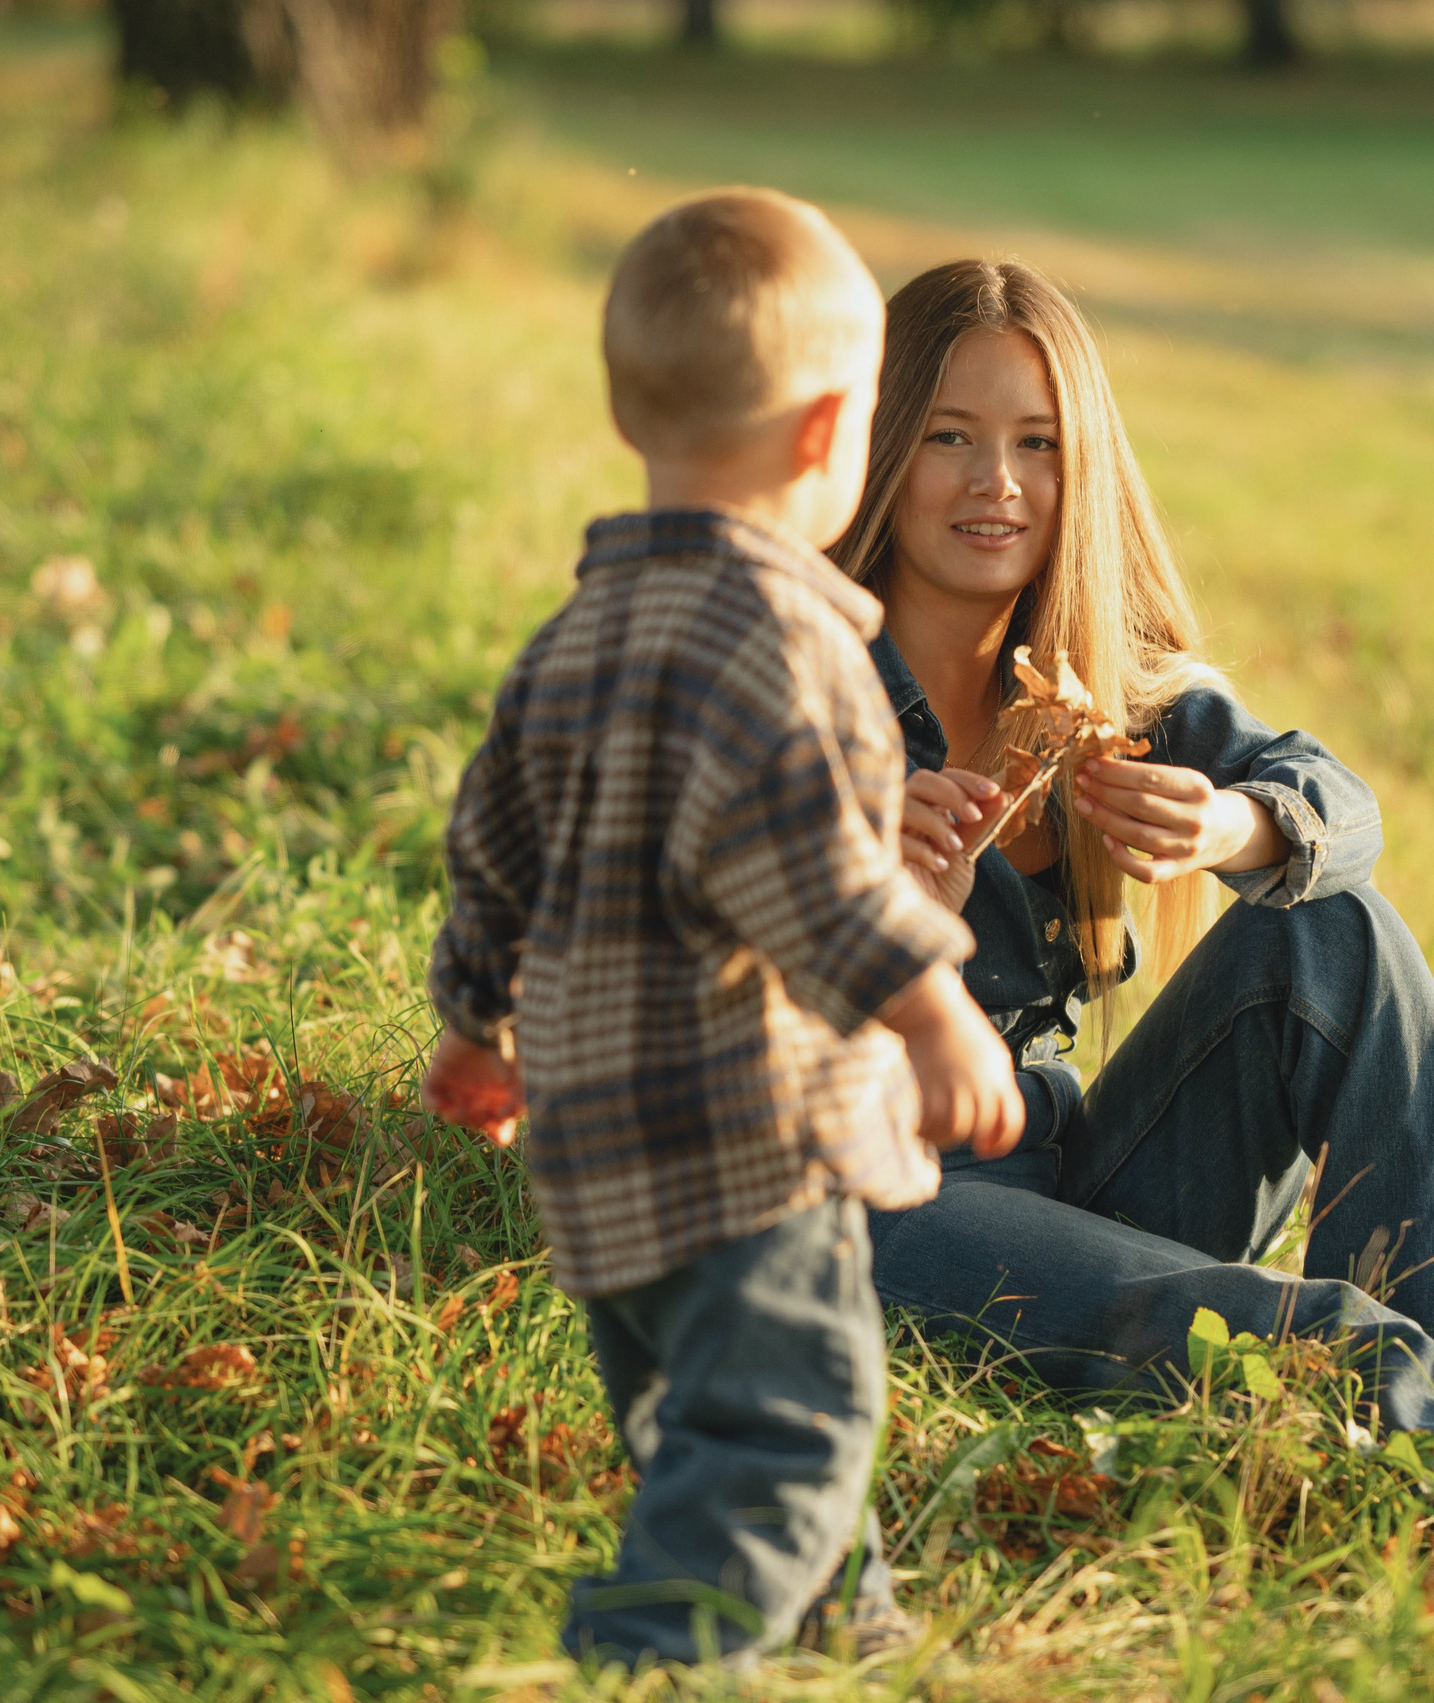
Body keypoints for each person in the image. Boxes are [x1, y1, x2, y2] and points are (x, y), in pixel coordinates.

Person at [836, 256, 1434, 1551]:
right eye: (951, 438)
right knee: (1307, 1338)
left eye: (1038, 443)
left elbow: (1340, 808)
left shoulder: (1103, 691)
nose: (997, 484)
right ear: (880, 447)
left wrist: (1235, 822)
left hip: (1071, 1169)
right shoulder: (806, 678)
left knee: (1326, 923)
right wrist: (860, 892)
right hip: (888, 1201)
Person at [418, 192, 1025, 1667]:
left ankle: (845, 1629)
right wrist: (935, 1011)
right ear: (832, 437)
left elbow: (492, 851)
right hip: (747, 1141)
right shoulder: (785, 645)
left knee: (737, 1412)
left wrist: (471, 1022)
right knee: (789, 1423)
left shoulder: (570, 638)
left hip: (592, 1146)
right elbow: (811, 871)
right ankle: (646, 1656)